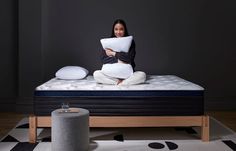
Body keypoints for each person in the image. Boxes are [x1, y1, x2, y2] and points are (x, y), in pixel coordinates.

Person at [93, 19, 146, 85]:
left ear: (124, 30)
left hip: (127, 75)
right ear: (113, 30)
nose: (118, 32)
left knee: (142, 75)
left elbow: (129, 58)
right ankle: (120, 83)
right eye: (116, 29)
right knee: (96, 74)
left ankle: (121, 82)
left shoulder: (130, 42)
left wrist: (113, 53)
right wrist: (120, 60)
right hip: (112, 75)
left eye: (121, 29)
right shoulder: (108, 42)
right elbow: (103, 59)